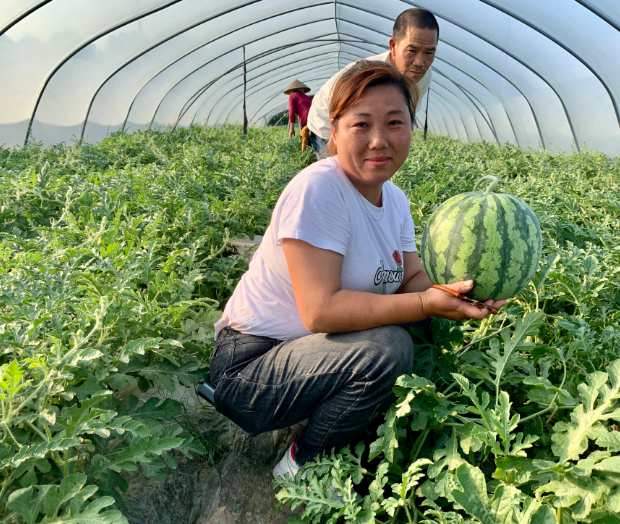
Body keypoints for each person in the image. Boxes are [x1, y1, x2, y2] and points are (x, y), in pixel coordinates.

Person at [209, 61, 506, 485]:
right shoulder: (320, 190)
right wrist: (423, 303)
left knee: (417, 325)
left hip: (307, 356)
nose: (379, 140)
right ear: (335, 129)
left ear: (411, 129)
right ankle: (302, 462)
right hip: (249, 370)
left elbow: (411, 277)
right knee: (389, 347)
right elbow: (321, 312)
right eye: (361, 124)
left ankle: (333, 412)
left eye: (394, 123)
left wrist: (464, 292)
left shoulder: (396, 200)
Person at [307, 8, 439, 160]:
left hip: (360, 124)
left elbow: (405, 116)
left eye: (429, 52)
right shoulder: (366, 76)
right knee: (338, 174)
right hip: (325, 121)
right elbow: (340, 124)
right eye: (412, 50)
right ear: (393, 46)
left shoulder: (423, 77)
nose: (420, 62)